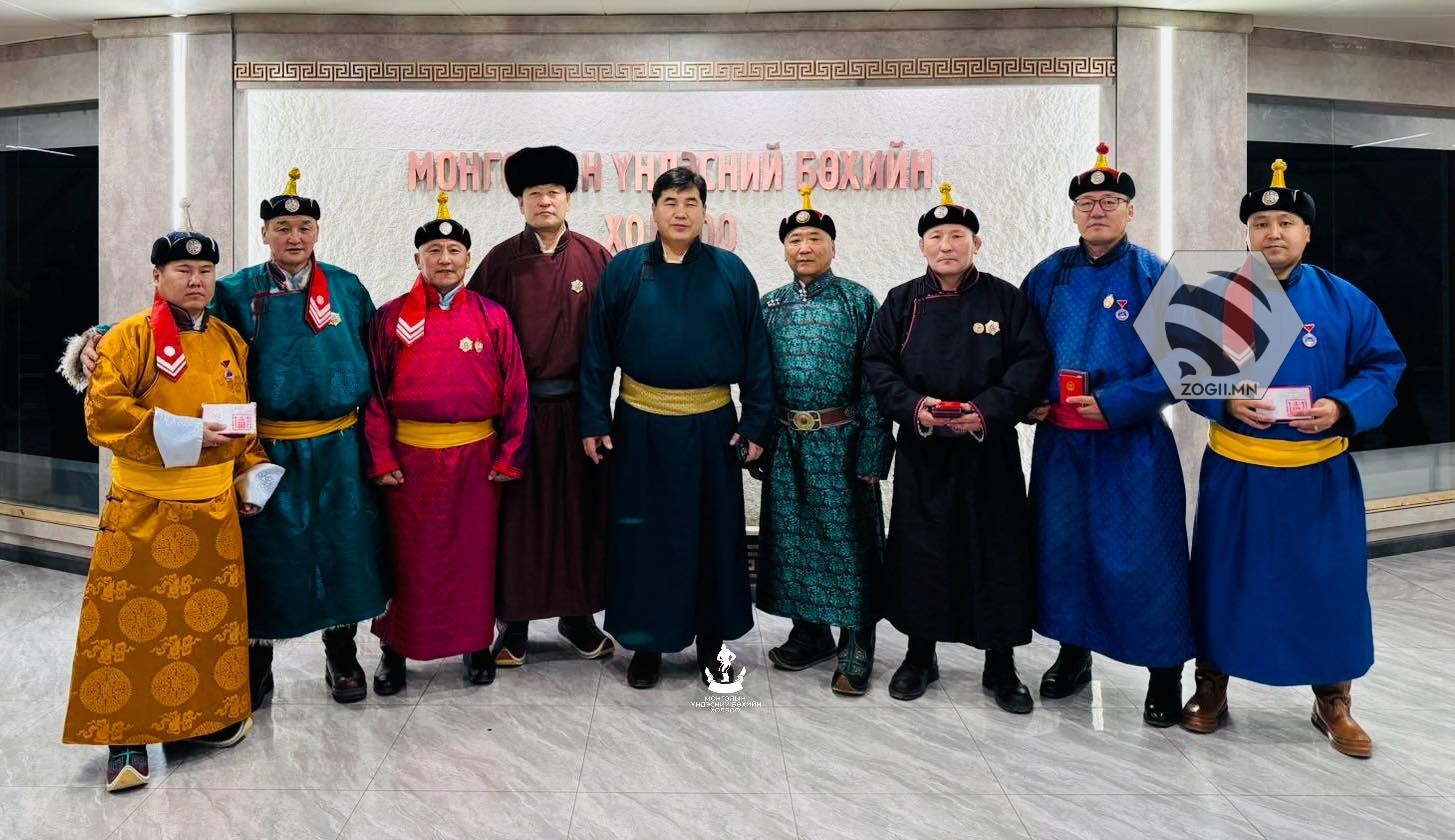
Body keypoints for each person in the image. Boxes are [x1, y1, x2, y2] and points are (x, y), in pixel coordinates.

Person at [64, 169, 389, 706]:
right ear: (265, 234)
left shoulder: (348, 288)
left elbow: (379, 363)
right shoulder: (235, 291)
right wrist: (97, 339)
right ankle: (255, 664)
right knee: (263, 556)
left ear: (317, 232)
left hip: (339, 446)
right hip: (262, 446)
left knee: (344, 550)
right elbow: (174, 322)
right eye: (282, 227)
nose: (294, 237)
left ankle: (342, 653)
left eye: (304, 227)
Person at [1181, 160, 1405, 757]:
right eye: (1261, 224)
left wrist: (1342, 406)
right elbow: (1187, 372)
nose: (1273, 233)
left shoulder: (1344, 300)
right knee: (1225, 579)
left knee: (1326, 583)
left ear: (1306, 232)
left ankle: (1333, 698)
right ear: (1247, 234)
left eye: (1285, 222)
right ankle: (1212, 685)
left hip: (1319, 472)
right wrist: (1225, 401)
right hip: (1238, 470)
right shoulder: (1214, 297)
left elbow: (1384, 367)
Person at [63, 224, 282, 792]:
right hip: (146, 505)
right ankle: (126, 739)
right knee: (130, 628)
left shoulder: (230, 341)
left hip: (214, 510)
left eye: (205, 271)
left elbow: (243, 421)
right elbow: (104, 415)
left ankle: (200, 721)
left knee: (205, 627)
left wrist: (251, 477)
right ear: (156, 276)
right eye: (182, 270)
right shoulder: (126, 339)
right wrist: (189, 434)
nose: (196, 280)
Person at [579, 166, 774, 689]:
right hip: (640, 426)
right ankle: (647, 644)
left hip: (712, 429)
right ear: (654, 210)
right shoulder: (624, 270)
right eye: (670, 202)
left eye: (691, 203)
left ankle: (712, 644)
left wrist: (756, 423)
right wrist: (594, 417)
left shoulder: (731, 272)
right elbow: (597, 350)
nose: (681, 212)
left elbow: (757, 353)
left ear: (705, 212)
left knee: (713, 538)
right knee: (643, 536)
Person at [863, 184, 1051, 712]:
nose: (946, 245)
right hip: (924, 450)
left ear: (977, 243)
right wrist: (914, 407)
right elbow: (877, 364)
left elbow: (1030, 362)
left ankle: (1001, 664)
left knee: (997, 552)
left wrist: (986, 410)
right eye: (936, 237)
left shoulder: (1005, 299)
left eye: (957, 236)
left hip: (988, 449)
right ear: (922, 246)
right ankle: (920, 655)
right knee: (923, 551)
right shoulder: (902, 301)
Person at [1021, 144, 1191, 726]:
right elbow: (1021, 351)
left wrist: (1117, 402)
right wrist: (1028, 398)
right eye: (1088, 203)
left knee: (1146, 556)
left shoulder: (1155, 275)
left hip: (1132, 443)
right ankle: (1073, 653)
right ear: (1074, 212)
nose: (1098, 211)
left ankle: (1165, 672)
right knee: (1065, 550)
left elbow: (1185, 363)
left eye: (1110, 202)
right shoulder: (1048, 275)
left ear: (1130, 211)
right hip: (1062, 445)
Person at [363, 193, 529, 693]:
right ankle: (395, 652)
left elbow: (516, 391)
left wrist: (510, 455)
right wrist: (380, 457)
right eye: (433, 251)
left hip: (476, 459)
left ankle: (475, 645)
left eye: (454, 251)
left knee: (472, 558)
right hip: (409, 462)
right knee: (407, 560)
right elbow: (372, 395)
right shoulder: (390, 318)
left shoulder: (492, 316)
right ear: (417, 258)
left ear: (468, 259)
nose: (444, 259)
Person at [467, 146, 614, 667]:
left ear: (568, 199)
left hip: (580, 412)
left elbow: (614, 340)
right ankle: (515, 624)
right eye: (535, 194)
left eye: (554, 192)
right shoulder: (500, 261)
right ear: (520, 203)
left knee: (580, 514)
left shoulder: (597, 259)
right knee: (519, 519)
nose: (545, 201)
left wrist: (600, 413)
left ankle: (579, 617)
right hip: (518, 415)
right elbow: (477, 338)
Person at [753, 186, 894, 695]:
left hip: (842, 440)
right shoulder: (770, 305)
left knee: (849, 542)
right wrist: (760, 438)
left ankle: (857, 640)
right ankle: (809, 632)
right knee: (792, 540)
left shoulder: (858, 301)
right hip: (786, 439)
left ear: (833, 247)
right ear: (784, 250)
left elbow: (877, 379)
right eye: (795, 240)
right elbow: (758, 378)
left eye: (815, 238)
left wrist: (874, 447)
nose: (805, 247)